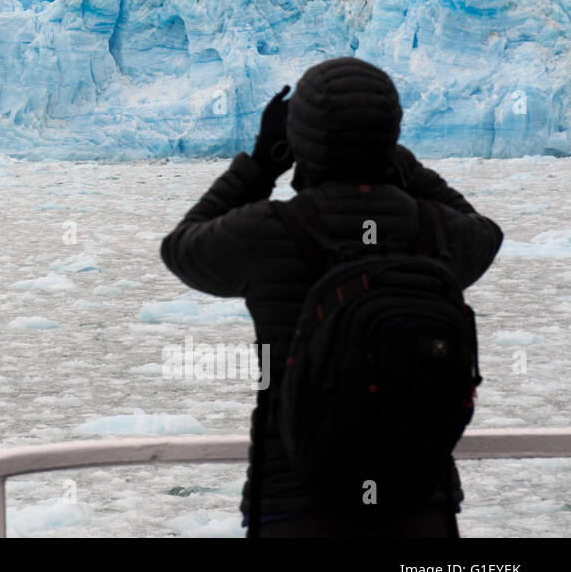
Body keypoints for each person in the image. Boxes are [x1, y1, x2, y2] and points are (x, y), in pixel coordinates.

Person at [160, 57, 503, 537]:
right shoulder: (435, 230)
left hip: (296, 503)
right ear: (391, 133)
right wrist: (399, 163)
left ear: (302, 139)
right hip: (419, 503)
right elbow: (486, 233)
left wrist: (261, 163)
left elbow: (182, 248)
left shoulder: (270, 230)